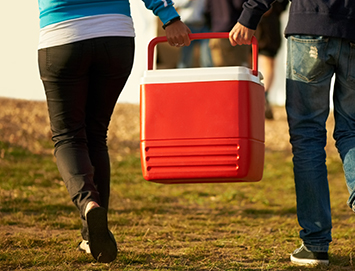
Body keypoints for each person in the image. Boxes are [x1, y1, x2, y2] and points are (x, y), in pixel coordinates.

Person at [229, 0, 355, 268]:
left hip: (312, 22)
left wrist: (251, 14)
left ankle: (315, 244)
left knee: (307, 136)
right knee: (354, 129)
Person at [37, 0, 191, 263]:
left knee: (69, 136)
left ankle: (88, 204)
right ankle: (92, 236)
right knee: (96, 134)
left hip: (62, 33)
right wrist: (169, 16)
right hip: (115, 35)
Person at [254, 0, 288, 119]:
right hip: (253, 20)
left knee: (266, 59)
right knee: (264, 61)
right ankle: (261, 96)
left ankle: (261, 96)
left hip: (262, 20)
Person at [205, 0, 249, 67]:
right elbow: (239, 4)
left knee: (221, 71)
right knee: (239, 70)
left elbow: (207, 9)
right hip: (235, 34)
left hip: (216, 34)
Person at [174, 0, 213, 68]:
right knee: (185, 57)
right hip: (187, 26)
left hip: (203, 25)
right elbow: (174, 3)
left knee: (206, 57)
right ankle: (183, 76)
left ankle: (207, 76)